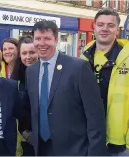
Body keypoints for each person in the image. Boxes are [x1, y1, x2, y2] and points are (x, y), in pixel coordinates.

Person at [26, 20, 108, 156]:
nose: (42, 43)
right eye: (38, 38)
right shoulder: (31, 71)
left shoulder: (78, 68)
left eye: (47, 38)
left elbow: (95, 116)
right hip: (42, 149)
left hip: (74, 150)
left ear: (56, 40)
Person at [81, 8, 129, 156]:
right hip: (87, 138)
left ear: (117, 29)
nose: (105, 29)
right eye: (101, 24)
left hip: (120, 144)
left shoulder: (127, 57)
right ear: (94, 26)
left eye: (110, 25)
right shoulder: (83, 57)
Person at [11, 35, 38, 156]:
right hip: (25, 139)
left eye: (32, 52)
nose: (28, 57)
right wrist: (26, 133)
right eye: (24, 53)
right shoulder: (15, 79)